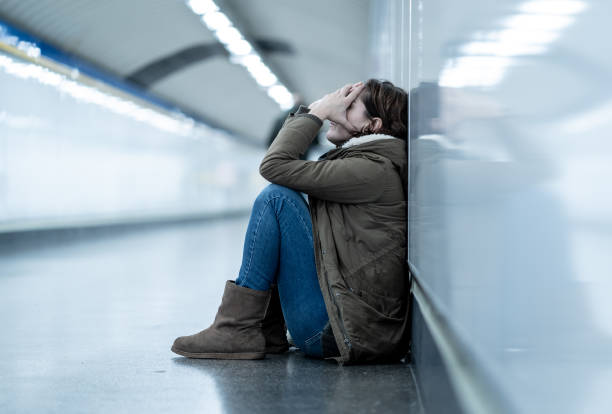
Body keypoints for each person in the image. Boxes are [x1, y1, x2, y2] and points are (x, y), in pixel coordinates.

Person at [171, 79, 410, 364]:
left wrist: (317, 113)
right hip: (348, 321)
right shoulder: (370, 163)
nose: (337, 106)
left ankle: (237, 328)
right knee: (283, 202)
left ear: (372, 124)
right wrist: (315, 113)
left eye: (349, 104)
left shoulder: (372, 169)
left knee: (277, 198)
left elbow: (274, 166)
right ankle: (262, 330)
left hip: (339, 331)